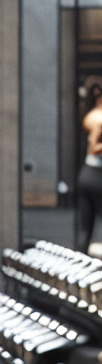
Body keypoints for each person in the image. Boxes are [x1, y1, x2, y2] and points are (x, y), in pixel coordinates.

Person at [78, 79, 102, 254]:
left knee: (85, 229)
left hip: (87, 172)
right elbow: (94, 146)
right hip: (97, 174)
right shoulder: (98, 118)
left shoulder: (90, 114)